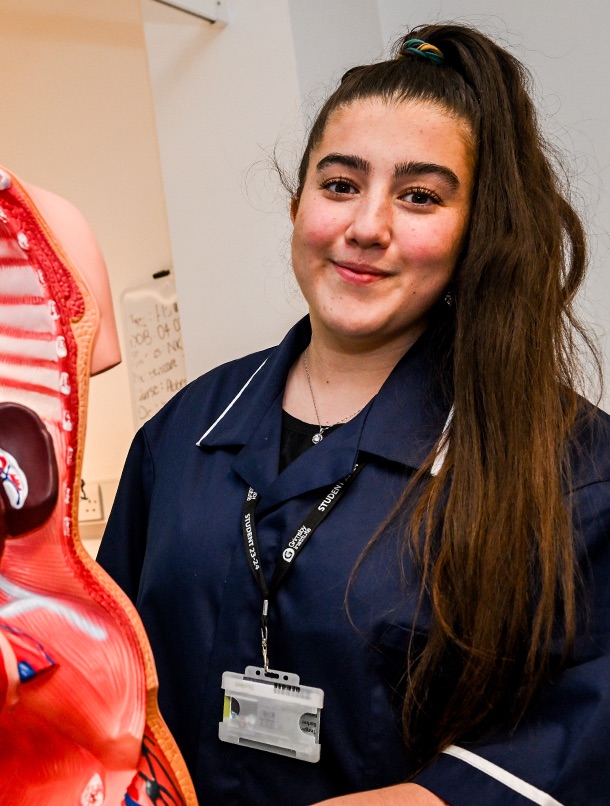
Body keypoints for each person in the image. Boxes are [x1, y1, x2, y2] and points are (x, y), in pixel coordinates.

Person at [98, 23, 610, 806]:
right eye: (340, 184)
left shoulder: (568, 467)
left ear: (476, 231)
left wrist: (436, 798)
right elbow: (103, 671)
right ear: (297, 203)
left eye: (420, 196)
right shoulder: (181, 435)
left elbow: (587, 720)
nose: (367, 227)